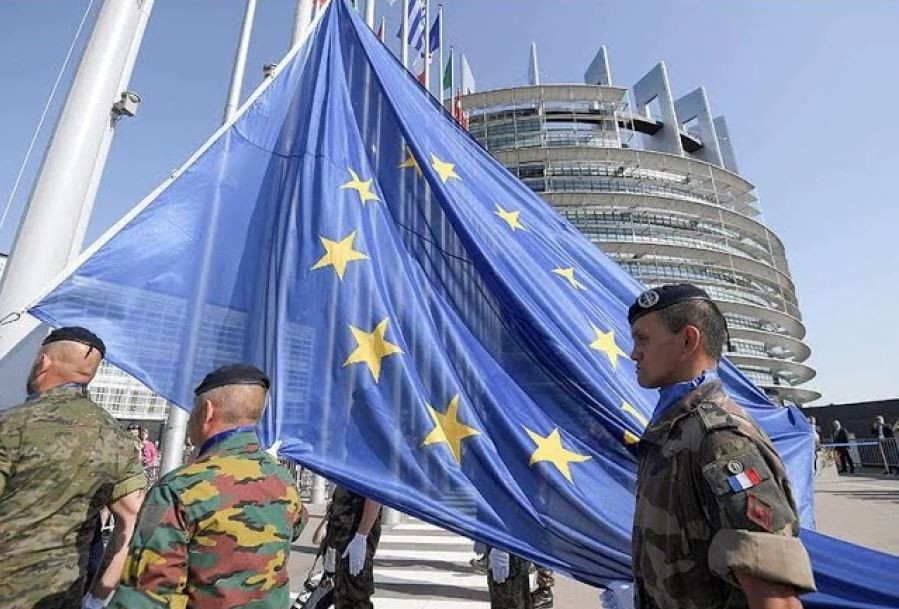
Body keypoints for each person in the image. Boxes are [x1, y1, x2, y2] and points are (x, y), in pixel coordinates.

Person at [628, 284, 816, 609]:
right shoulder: (673, 432)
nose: (634, 353)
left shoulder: (720, 441)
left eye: (642, 339)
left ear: (688, 341)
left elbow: (775, 599)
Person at [107, 363, 308, 609]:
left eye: (193, 409)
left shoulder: (179, 488)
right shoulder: (282, 480)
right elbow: (296, 526)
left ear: (207, 411)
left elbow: (148, 593)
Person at [0, 327, 146, 609]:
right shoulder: (118, 439)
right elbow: (130, 525)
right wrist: (96, 599)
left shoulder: (11, 425)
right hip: (63, 598)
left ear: (43, 362)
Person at [324, 485, 382, 609]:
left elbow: (374, 494)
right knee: (342, 596)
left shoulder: (368, 466)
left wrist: (361, 535)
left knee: (355, 597)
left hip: (355, 537)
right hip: (344, 540)